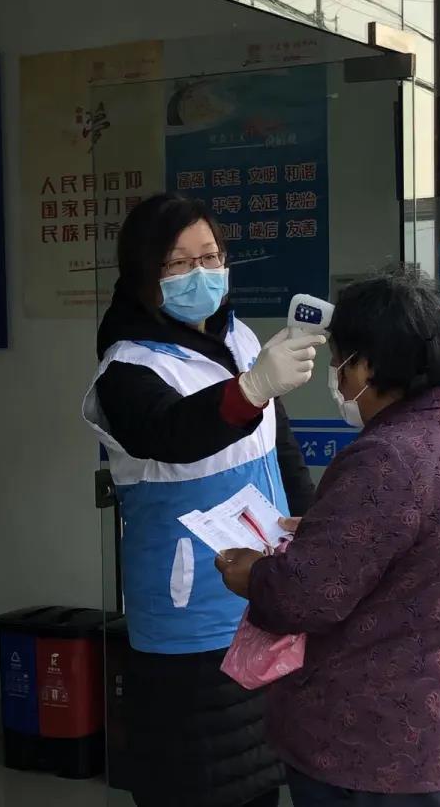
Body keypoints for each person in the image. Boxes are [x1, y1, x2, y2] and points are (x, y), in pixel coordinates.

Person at [215, 272, 440, 807]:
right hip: (434, 732)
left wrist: (251, 573)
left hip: (362, 749)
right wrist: (324, 530)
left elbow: (303, 596)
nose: (337, 377)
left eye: (340, 363)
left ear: (368, 366)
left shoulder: (386, 457)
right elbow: (414, 554)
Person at [82, 193, 323, 807]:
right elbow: (173, 434)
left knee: (262, 777)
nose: (201, 274)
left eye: (210, 257)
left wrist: (315, 532)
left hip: (263, 596)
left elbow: (281, 451)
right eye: (178, 263)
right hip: (189, 619)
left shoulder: (240, 339)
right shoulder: (126, 370)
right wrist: (252, 389)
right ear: (143, 275)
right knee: (197, 781)